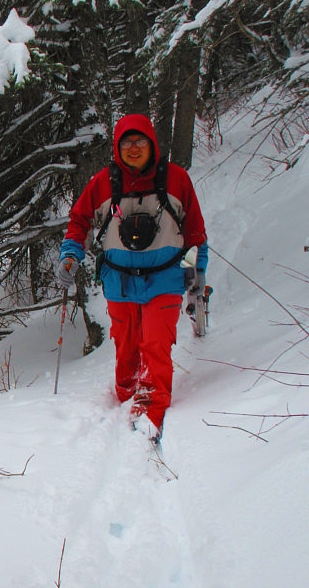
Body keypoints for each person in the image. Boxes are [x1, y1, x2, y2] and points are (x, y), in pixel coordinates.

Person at [56, 114, 208, 438]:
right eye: (127, 142)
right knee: (125, 345)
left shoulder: (176, 179)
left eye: (140, 141)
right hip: (119, 282)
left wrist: (196, 271)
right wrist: (70, 255)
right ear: (117, 147)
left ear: (152, 143)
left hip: (165, 278)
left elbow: (194, 231)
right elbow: (79, 221)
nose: (134, 148)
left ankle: (152, 404)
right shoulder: (103, 183)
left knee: (155, 341)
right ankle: (126, 391)